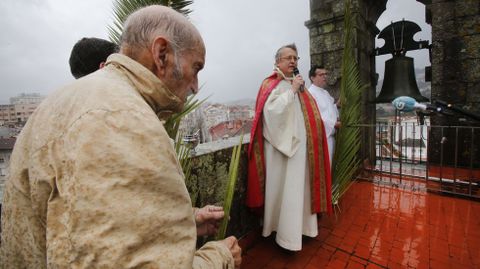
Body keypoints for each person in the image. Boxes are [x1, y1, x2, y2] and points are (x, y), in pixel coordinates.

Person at [0, 5, 241, 269]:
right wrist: (220, 257)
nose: (195, 85)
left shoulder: (64, 100)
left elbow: (85, 223)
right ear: (162, 55)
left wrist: (189, 220)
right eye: (196, 68)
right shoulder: (124, 119)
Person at [246, 44, 332, 251]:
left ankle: (301, 229)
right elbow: (270, 113)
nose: (293, 61)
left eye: (295, 58)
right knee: (283, 190)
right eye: (288, 58)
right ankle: (281, 232)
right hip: (281, 150)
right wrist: (292, 90)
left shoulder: (298, 84)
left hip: (301, 150)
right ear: (277, 62)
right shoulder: (271, 84)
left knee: (298, 189)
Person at [308, 66, 341, 166]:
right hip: (322, 138)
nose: (325, 77)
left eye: (325, 74)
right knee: (324, 165)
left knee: (330, 165)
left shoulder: (325, 92)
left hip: (330, 136)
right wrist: (333, 124)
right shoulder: (310, 93)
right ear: (312, 78)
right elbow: (314, 116)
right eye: (321, 75)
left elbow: (328, 110)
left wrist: (337, 105)